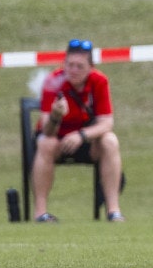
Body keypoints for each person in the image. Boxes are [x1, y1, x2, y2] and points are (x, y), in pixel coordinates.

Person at [31, 39, 125, 223]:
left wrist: (81, 135)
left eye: (79, 66)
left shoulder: (99, 82)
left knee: (110, 140)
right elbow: (47, 130)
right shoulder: (53, 81)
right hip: (57, 141)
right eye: (69, 65)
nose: (73, 70)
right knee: (45, 143)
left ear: (91, 67)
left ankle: (113, 211)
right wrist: (56, 115)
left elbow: (106, 123)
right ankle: (41, 213)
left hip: (87, 143)